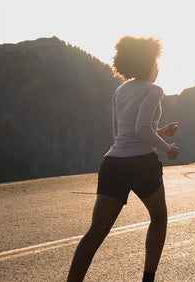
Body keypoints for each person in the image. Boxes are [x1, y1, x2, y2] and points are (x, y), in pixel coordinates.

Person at [68, 36, 180, 282]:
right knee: (159, 217)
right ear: (148, 64)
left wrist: (159, 132)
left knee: (96, 232)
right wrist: (166, 147)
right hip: (141, 164)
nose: (158, 67)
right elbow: (141, 129)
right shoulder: (154, 90)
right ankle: (147, 279)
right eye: (156, 62)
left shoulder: (121, 90)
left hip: (113, 163)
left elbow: (122, 134)